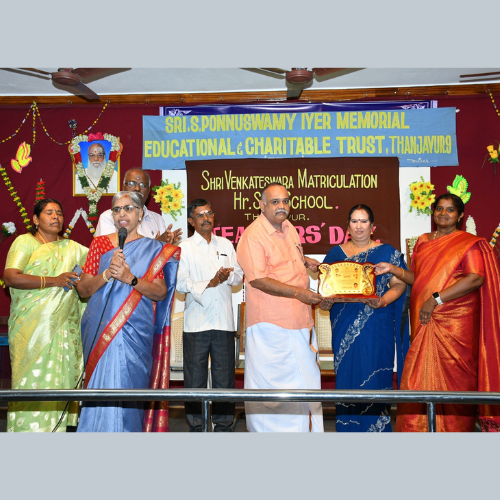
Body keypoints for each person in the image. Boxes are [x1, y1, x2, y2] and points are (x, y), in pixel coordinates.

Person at [374, 193, 500, 432]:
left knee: (455, 382)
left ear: (460, 215)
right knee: (418, 379)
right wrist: (392, 269)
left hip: (455, 326)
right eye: (439, 209)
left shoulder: (468, 243)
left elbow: (475, 278)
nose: (443, 213)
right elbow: (418, 278)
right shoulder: (423, 241)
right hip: (424, 322)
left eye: (450, 209)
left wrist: (435, 299)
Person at [76, 191, 180, 432]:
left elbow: (160, 292)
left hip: (136, 331)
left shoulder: (153, 249)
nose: (122, 214)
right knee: (100, 391)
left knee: (129, 391)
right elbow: (82, 289)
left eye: (128, 208)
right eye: (117, 209)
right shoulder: (100, 244)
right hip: (100, 330)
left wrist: (130, 278)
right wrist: (107, 274)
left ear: (140, 213)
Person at [236, 182, 327, 432]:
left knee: (304, 384)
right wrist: (299, 293)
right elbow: (258, 279)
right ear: (262, 205)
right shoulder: (253, 235)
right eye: (275, 202)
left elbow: (283, 262)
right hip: (271, 327)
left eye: (285, 201)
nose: (282, 206)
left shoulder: (289, 228)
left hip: (300, 320)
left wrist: (304, 261)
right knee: (274, 392)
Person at [320, 204, 409, 432]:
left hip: (377, 327)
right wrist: (325, 302)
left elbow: (399, 284)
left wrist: (383, 300)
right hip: (344, 329)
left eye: (364, 221)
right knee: (348, 380)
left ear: (372, 226)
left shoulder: (386, 253)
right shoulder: (335, 254)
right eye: (354, 221)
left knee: (374, 381)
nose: (359, 226)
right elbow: (327, 291)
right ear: (347, 226)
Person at [3, 198, 88, 432]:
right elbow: (11, 276)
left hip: (65, 326)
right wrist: (54, 280)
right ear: (35, 219)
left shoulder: (73, 248)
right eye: (49, 212)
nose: (55, 217)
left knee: (62, 378)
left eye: (59, 213)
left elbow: (98, 262)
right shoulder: (25, 242)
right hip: (31, 328)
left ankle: (58, 431)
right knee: (31, 380)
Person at [176, 199, 244, 432]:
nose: (206, 218)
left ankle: (223, 424)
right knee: (194, 379)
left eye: (209, 213)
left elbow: (239, 276)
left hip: (224, 321)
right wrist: (210, 282)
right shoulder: (185, 247)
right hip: (196, 323)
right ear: (191, 220)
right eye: (200, 215)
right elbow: (181, 283)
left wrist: (228, 276)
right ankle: (197, 426)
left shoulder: (225, 244)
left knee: (224, 379)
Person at [94, 168, 181, 244]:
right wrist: (154, 245)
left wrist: (165, 246)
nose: (137, 188)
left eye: (143, 185)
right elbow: (110, 252)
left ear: (148, 191)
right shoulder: (109, 217)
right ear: (123, 187)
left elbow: (162, 256)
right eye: (132, 184)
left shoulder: (157, 219)